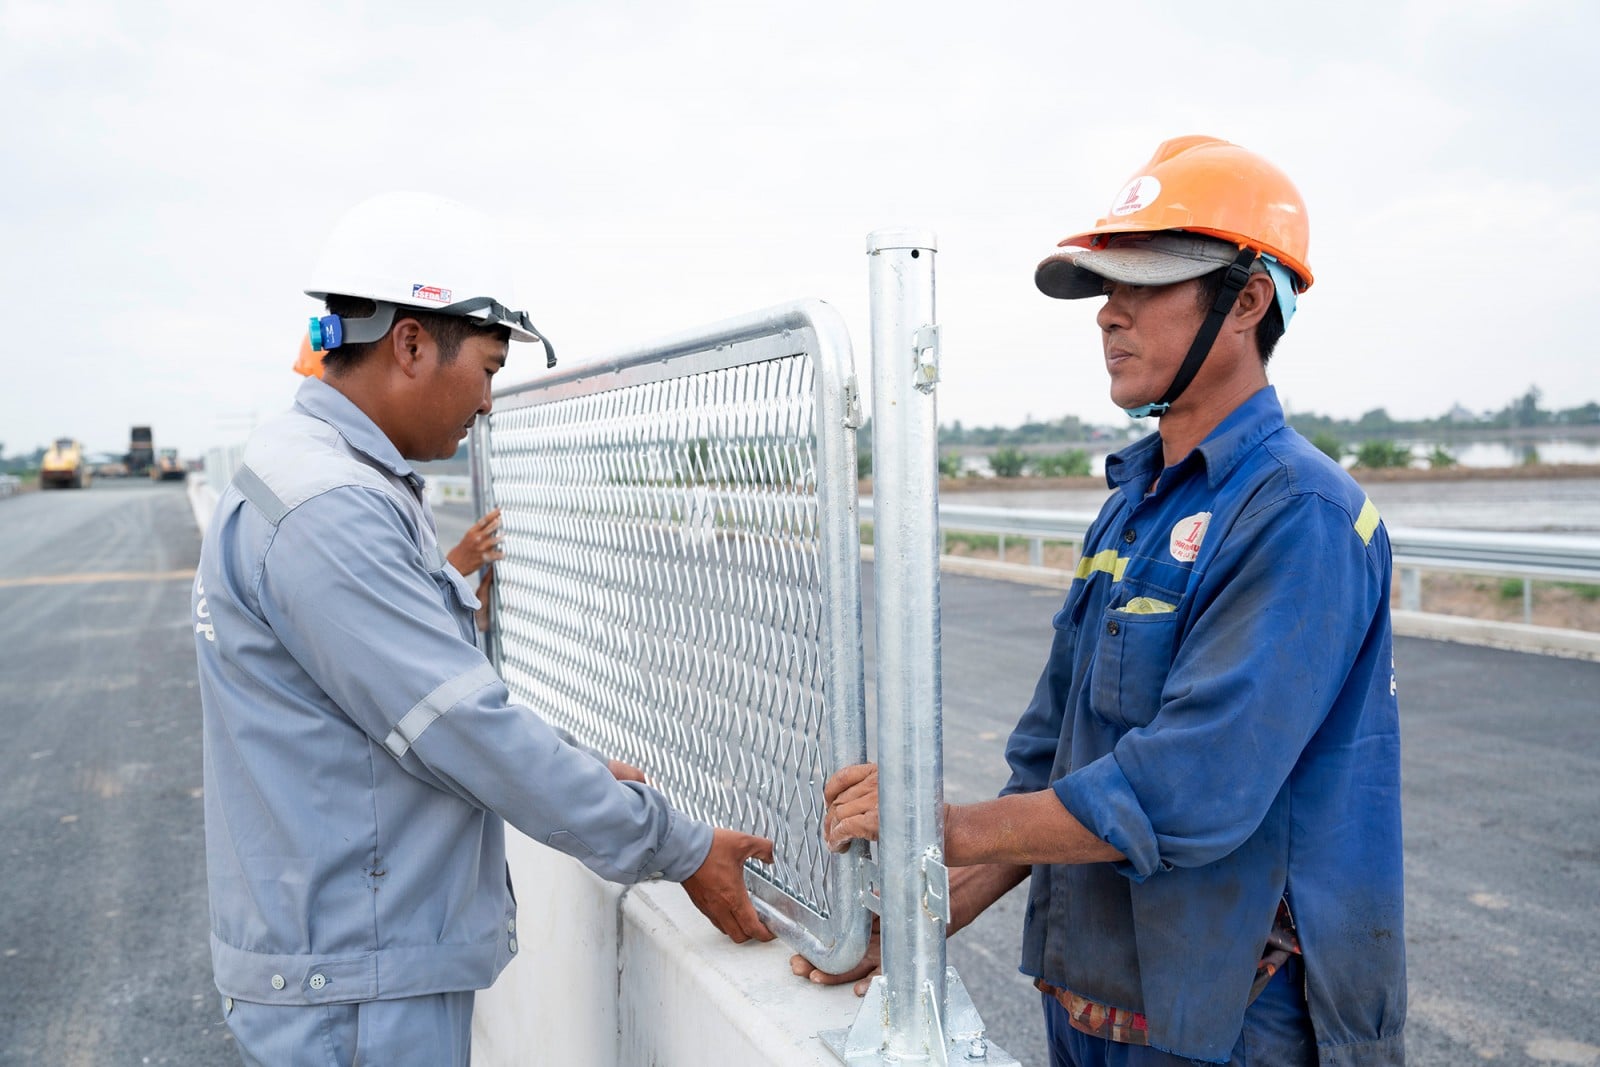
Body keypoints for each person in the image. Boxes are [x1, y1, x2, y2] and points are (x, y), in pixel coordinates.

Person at [800, 136, 1406, 1065]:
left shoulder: (1301, 516)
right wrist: (921, 921)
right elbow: (1051, 753)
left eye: (1144, 285)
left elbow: (1191, 788)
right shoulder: (1135, 504)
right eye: (1104, 291)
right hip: (1096, 1002)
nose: (1109, 317)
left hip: (1231, 1019)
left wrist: (936, 823)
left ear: (1246, 300)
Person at [194, 191, 773, 1066]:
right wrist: (678, 844)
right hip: (357, 991)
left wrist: (577, 771)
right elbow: (466, 730)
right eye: (492, 369)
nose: (491, 405)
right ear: (413, 343)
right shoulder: (333, 513)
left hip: (338, 957)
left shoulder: (303, 472)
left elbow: (437, 699)